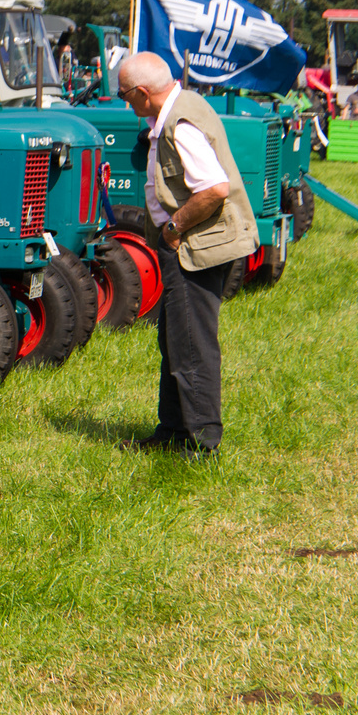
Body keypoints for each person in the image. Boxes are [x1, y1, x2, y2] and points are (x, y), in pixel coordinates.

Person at [117, 52, 258, 456]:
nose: (127, 104)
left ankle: (202, 442)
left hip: (194, 246)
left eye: (127, 96)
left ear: (142, 93)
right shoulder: (183, 107)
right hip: (192, 243)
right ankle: (173, 431)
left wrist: (174, 228)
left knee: (192, 347)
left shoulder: (180, 124)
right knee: (176, 341)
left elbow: (215, 188)